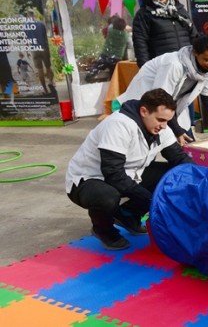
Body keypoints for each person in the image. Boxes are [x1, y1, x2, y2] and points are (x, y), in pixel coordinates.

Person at [66, 88, 194, 250]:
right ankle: (103, 229)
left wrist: (200, 179)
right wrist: (151, 200)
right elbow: (113, 174)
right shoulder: (118, 125)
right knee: (107, 197)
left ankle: (128, 216)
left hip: (128, 173)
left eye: (167, 121)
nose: (164, 126)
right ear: (144, 111)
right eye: (160, 119)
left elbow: (179, 158)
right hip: (88, 180)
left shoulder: (162, 128)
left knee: (173, 175)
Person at [117, 35, 208, 146]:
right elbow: (160, 99)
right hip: (148, 103)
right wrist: (177, 131)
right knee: (148, 146)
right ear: (195, 53)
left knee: (189, 146)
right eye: (207, 59)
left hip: (169, 105)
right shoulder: (173, 64)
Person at [132, 0, 198, 68]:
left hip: (186, 64)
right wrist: (145, 67)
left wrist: (198, 59)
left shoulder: (180, 10)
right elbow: (140, 43)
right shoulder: (144, 14)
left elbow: (194, 35)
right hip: (161, 66)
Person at [24, 9, 54, 95]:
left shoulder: (25, 26)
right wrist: (48, 49)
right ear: (34, 15)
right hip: (43, 48)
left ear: (27, 16)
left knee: (40, 70)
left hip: (34, 50)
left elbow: (26, 40)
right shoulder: (41, 24)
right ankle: (51, 82)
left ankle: (45, 90)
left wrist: (27, 51)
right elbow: (45, 38)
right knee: (48, 67)